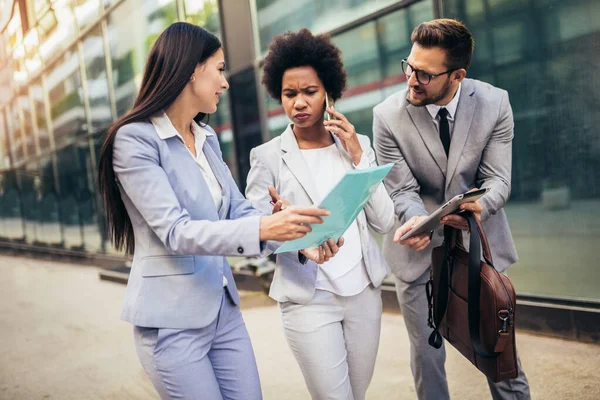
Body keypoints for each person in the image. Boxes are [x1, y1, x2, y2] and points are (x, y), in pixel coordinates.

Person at [96, 22, 332, 400]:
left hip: (222, 309)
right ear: (192, 70)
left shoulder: (205, 138)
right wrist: (265, 227)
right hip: (170, 324)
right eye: (219, 69)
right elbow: (175, 231)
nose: (224, 82)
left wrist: (296, 237)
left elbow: (237, 209)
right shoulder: (135, 140)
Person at [372, 19, 530, 400]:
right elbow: (402, 189)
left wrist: (479, 206)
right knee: (427, 361)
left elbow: (498, 180)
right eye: (408, 67)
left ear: (457, 75)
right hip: (418, 253)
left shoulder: (495, 103)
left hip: (479, 248)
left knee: (500, 356)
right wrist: (416, 221)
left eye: (424, 74)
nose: (411, 79)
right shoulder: (386, 115)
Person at [245, 28, 395, 400]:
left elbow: (384, 220)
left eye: (309, 92)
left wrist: (360, 158)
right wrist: (287, 232)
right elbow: (252, 234)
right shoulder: (266, 157)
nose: (298, 103)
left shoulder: (356, 146)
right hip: (307, 299)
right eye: (289, 94)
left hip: (362, 293)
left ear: (328, 90)